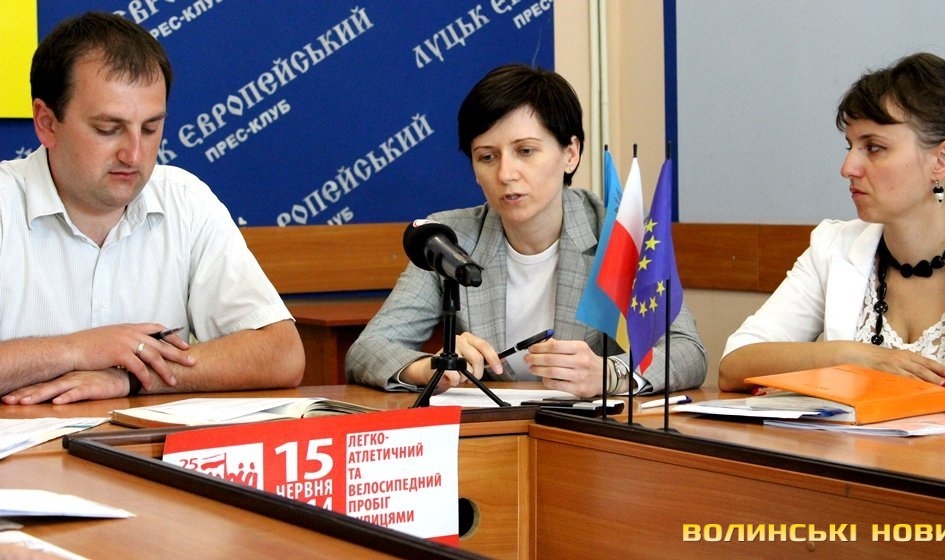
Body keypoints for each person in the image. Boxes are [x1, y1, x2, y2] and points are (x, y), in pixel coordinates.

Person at [347, 63, 706, 397]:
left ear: (570, 153)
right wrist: (431, 368)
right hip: (494, 430)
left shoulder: (618, 231)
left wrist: (610, 373)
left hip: (589, 431)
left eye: (525, 151)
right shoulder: (448, 239)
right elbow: (368, 349)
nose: (505, 174)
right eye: (487, 157)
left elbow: (687, 351)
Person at [0, 12, 304, 405]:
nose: (134, 154)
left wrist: (131, 377)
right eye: (108, 129)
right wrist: (76, 350)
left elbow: (282, 354)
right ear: (46, 123)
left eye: (150, 128)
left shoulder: (186, 201)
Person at [719, 52, 945, 413]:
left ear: (942, 160)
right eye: (850, 146)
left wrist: (866, 376)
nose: (848, 167)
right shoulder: (832, 247)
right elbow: (735, 364)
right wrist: (848, 357)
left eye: (874, 148)